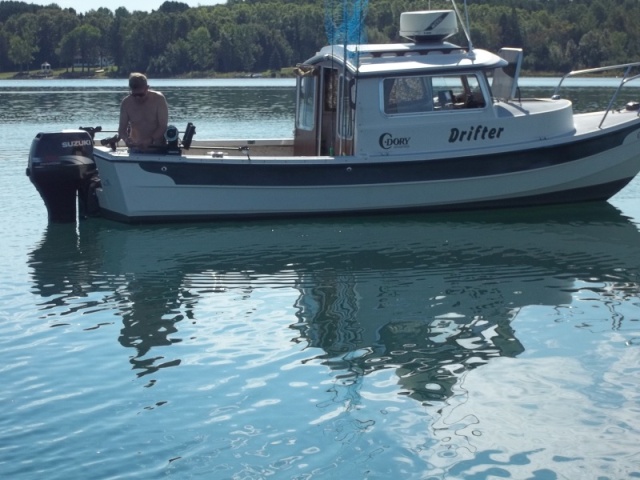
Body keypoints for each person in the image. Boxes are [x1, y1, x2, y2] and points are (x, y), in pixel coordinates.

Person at [118, 72, 169, 149]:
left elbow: (163, 126)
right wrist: (126, 140)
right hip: (135, 149)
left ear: (147, 88)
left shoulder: (159, 99)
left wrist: (150, 140)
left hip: (157, 148)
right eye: (134, 95)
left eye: (141, 95)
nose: (138, 98)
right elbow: (122, 129)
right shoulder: (126, 103)